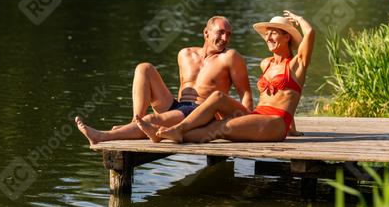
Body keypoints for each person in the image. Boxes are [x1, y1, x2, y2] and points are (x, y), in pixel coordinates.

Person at [136, 10, 314, 143]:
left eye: (274, 32)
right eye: (267, 33)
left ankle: (173, 132)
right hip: (257, 116)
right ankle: (170, 133)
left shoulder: (296, 65)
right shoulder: (265, 63)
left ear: (287, 37)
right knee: (218, 98)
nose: (268, 37)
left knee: (221, 128)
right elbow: (281, 96)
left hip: (275, 123)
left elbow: (310, 33)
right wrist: (294, 128)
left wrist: (299, 19)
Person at [75, 16, 253, 144]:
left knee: (153, 118)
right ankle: (135, 121)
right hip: (179, 106)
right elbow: (183, 86)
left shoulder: (230, 57)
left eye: (228, 34)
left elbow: (245, 92)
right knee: (144, 68)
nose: (225, 39)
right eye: (220, 33)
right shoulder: (184, 54)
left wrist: (247, 122)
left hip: (201, 112)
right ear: (206, 33)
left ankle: (101, 136)